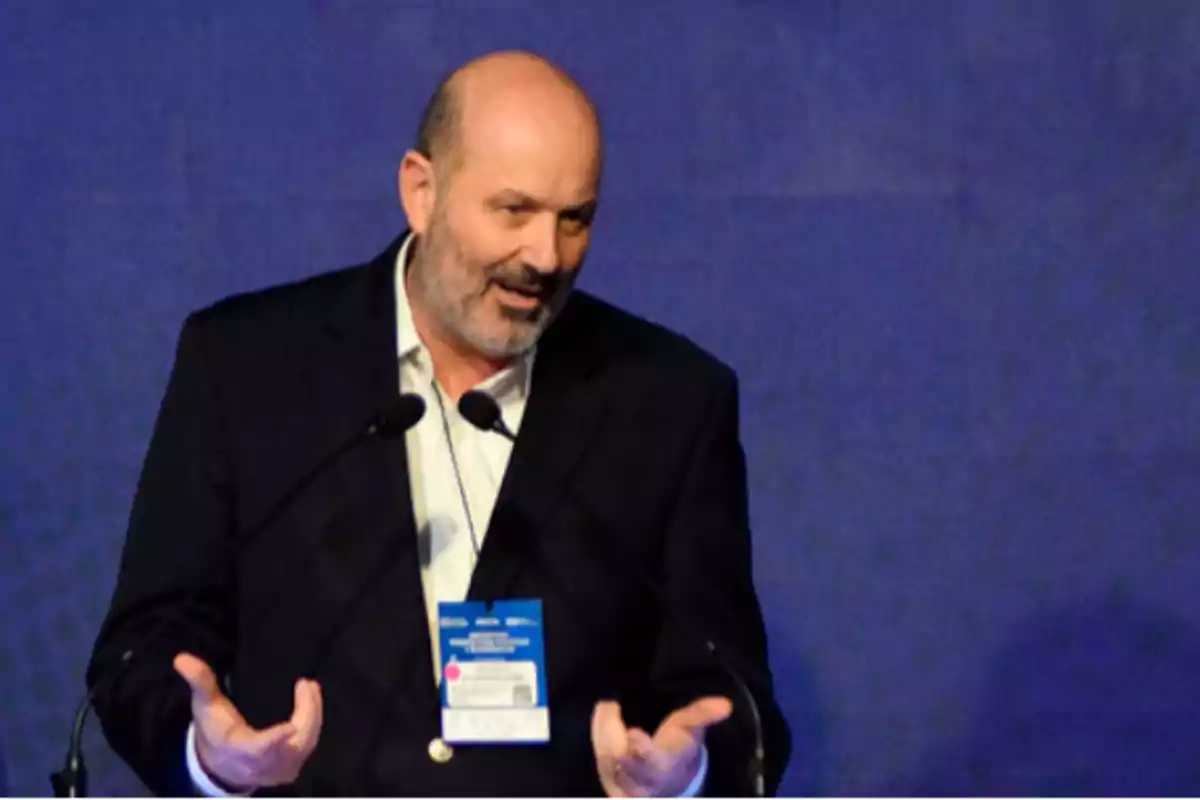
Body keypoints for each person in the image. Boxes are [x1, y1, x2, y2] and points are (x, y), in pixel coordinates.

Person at [87, 50, 791, 796]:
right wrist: (209, 758)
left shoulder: (669, 400)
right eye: (513, 211)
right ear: (421, 192)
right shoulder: (245, 368)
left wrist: (684, 778)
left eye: (574, 219)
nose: (545, 256)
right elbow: (142, 651)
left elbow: (731, 698)